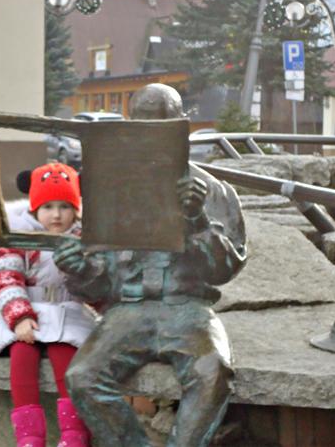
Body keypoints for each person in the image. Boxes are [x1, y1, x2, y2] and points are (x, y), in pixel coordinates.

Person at [53, 83, 248, 447]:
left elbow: (225, 270)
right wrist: (80, 269)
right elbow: (101, 281)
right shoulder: (113, 192)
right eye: (144, 127)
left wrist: (197, 219)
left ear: (182, 127)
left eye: (164, 127)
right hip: (127, 310)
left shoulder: (213, 191)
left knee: (212, 371)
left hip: (188, 311)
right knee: (82, 376)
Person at [0, 163, 95, 447]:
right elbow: (6, 278)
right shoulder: (20, 239)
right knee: (22, 358)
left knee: (66, 360)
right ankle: (29, 436)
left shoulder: (82, 243)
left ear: (76, 209)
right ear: (35, 209)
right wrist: (19, 316)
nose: (56, 215)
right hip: (28, 314)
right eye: (47, 207)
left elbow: (96, 285)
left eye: (65, 207)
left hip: (68, 312)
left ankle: (74, 434)